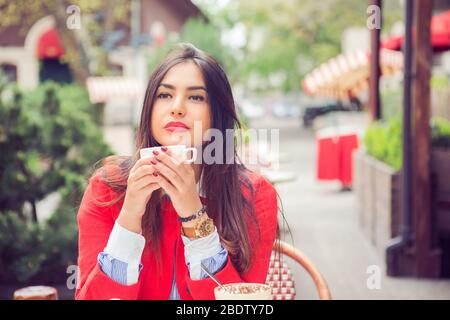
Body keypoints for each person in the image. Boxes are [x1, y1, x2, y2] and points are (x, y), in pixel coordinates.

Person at [75, 43, 280, 300]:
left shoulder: (253, 195)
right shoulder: (108, 188)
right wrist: (130, 215)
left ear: (216, 114)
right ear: (149, 108)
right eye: (164, 95)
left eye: (195, 97)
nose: (177, 108)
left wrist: (194, 216)